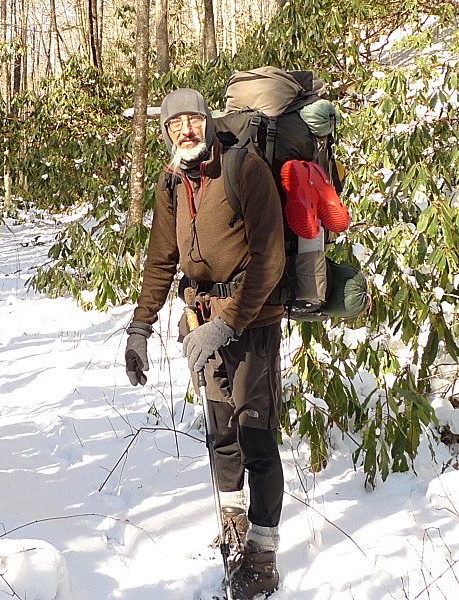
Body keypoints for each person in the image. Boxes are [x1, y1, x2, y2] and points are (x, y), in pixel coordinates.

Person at [124, 88, 285, 600]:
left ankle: (262, 555)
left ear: (208, 121)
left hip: (252, 321)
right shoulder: (171, 182)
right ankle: (233, 524)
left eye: (192, 121)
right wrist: (140, 328)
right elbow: (160, 261)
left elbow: (270, 258)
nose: (184, 132)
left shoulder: (245, 169)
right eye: (174, 126)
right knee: (222, 432)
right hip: (200, 321)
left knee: (256, 436)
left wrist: (230, 322)